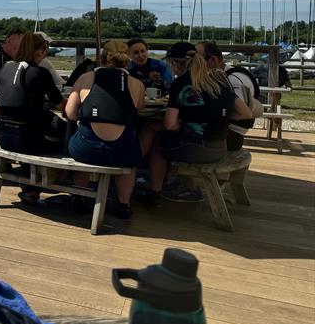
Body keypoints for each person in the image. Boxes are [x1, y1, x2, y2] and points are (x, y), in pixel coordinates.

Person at [144, 42, 254, 206]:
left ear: (175, 63)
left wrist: (187, 122)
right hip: (220, 146)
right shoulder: (220, 79)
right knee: (162, 134)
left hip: (198, 149)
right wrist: (215, 118)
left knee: (158, 143)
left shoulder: (181, 84)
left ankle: (153, 193)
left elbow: (169, 124)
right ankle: (172, 184)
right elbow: (245, 113)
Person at [65, 40, 145, 219]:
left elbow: (70, 113)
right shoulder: (137, 85)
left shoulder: (86, 79)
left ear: (101, 58)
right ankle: (124, 204)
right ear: (127, 59)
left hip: (87, 149)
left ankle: (80, 197)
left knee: (79, 139)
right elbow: (138, 111)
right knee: (130, 162)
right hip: (120, 151)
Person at [0, 31, 65, 206]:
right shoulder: (40, 73)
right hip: (28, 140)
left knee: (32, 129)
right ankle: (65, 185)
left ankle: (31, 188)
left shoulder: (5, 69)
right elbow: (61, 105)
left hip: (4, 136)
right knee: (66, 140)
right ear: (39, 52)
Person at [196, 41, 263, 151]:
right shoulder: (229, 73)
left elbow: (241, 113)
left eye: (197, 61)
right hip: (229, 133)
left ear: (213, 59)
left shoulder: (232, 80)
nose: (194, 65)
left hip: (230, 135)